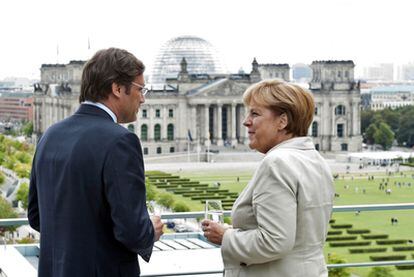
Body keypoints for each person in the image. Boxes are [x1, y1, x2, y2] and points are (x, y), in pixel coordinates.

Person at [28, 48, 164, 277]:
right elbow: (132, 232)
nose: (143, 98)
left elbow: (36, 216)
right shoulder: (121, 140)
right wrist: (151, 229)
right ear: (118, 89)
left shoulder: (50, 135)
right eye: (141, 89)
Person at [202, 79, 334, 276]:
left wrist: (226, 236)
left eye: (255, 113)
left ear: (282, 121)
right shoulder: (314, 159)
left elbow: (275, 241)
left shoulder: (277, 163)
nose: (246, 121)